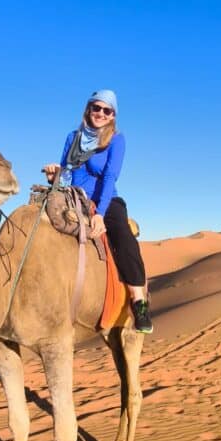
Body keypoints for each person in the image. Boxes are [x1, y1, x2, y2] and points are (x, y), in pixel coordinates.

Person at [44, 89, 153, 333]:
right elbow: (67, 172)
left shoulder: (116, 139)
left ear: (113, 115)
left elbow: (109, 177)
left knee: (123, 236)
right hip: (73, 197)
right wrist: (55, 176)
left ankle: (139, 302)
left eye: (107, 110)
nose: (101, 114)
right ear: (88, 109)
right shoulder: (73, 137)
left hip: (104, 201)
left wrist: (100, 212)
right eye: (97, 108)